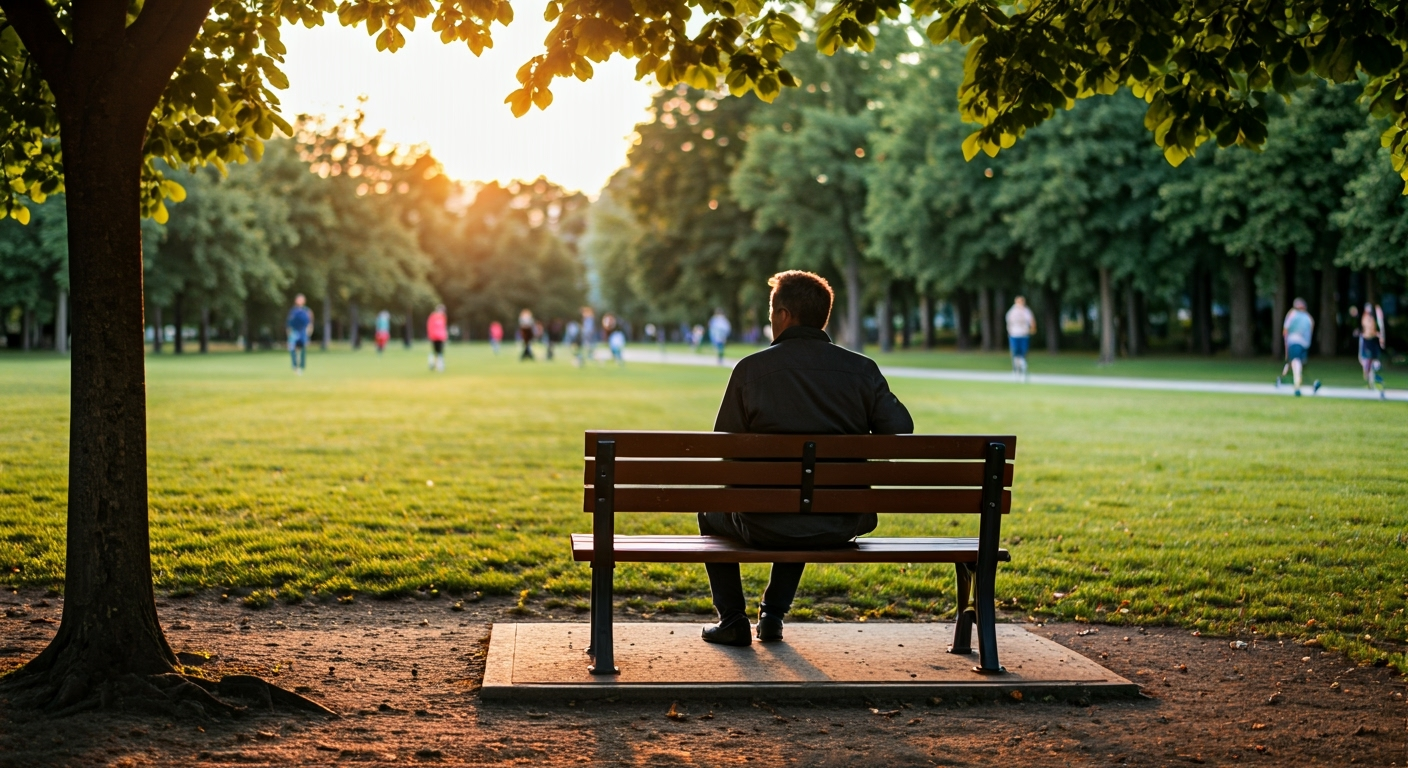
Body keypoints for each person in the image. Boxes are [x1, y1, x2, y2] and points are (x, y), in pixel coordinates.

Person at [700, 270, 914, 647]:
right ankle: (773, 615)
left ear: (784, 315)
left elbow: (725, 450)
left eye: (771, 313)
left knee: (716, 508)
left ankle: (732, 618)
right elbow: (900, 429)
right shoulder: (862, 370)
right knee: (807, 495)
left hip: (763, 522)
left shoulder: (751, 370)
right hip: (840, 520)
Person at [1277, 298, 1320, 397]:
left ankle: (1284, 380)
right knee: (1296, 363)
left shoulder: (1297, 315)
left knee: (1295, 363)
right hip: (1297, 342)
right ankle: (1294, 383)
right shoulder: (1303, 316)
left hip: (1297, 342)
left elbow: (1286, 329)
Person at [1357, 301, 1387, 398]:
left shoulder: (1371, 319)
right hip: (1367, 342)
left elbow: (1372, 330)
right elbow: (1369, 331)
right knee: (1367, 363)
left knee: (1372, 363)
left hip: (1371, 342)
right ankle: (1371, 382)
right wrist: (1377, 334)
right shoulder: (1366, 318)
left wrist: (1379, 336)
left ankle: (1374, 383)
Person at [1005, 296, 1036, 381]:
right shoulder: (1012, 311)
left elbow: (1031, 321)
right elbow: (1008, 322)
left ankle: (1023, 371)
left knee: (1023, 353)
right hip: (1014, 335)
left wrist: (1032, 328)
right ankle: (1016, 371)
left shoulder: (1026, 311)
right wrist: (1010, 332)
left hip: (1023, 334)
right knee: (1015, 353)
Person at [286, 294, 313, 375]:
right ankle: (294, 366)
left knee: (302, 350)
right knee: (293, 350)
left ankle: (301, 367)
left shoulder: (307, 311)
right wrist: (289, 334)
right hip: (294, 333)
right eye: (298, 299)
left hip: (303, 333)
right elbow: (289, 324)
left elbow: (310, 324)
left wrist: (308, 334)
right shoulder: (293, 311)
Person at [426, 304, 448, 372]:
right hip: (434, 337)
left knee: (439, 352)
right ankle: (434, 364)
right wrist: (430, 336)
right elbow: (430, 327)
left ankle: (438, 365)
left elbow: (443, 327)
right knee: (436, 351)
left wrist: (445, 336)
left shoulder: (443, 317)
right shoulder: (433, 316)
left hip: (440, 337)